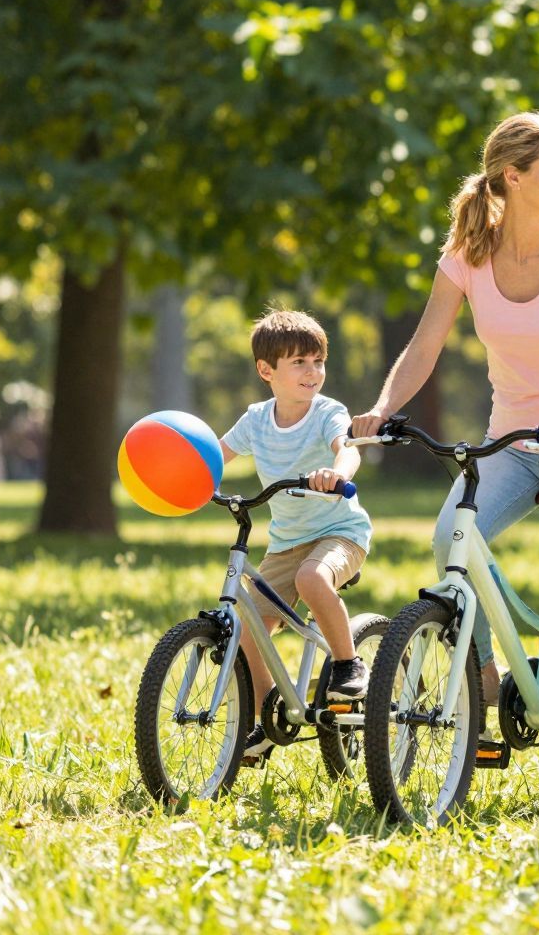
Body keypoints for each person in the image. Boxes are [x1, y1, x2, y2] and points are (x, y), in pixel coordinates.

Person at [351, 111, 539, 819]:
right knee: (448, 538)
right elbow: (424, 346)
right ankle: (483, 688)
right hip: (509, 445)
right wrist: (380, 409)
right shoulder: (468, 256)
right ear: (513, 176)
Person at [218, 308, 372, 766]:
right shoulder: (256, 420)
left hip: (340, 531)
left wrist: (336, 472)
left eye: (318, 361)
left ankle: (347, 664)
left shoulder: (327, 412)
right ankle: (268, 714)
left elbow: (348, 448)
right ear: (267, 371)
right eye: (299, 363)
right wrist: (188, 478)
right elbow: (216, 456)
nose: (313, 372)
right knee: (248, 627)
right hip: (286, 541)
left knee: (311, 579)